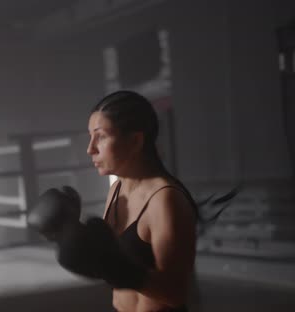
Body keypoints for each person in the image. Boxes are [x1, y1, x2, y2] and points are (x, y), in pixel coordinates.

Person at [29, 90, 237, 312]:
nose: (90, 148)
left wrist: (114, 268)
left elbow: (176, 293)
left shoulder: (165, 199)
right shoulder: (117, 190)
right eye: (90, 137)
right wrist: (70, 232)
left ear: (136, 140)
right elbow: (114, 257)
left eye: (101, 136)